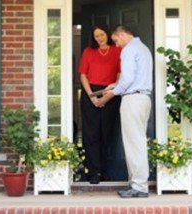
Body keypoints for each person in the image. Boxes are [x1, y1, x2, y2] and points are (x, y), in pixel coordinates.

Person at [100, 25, 152, 198]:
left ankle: (138, 187)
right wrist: (115, 85)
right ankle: (137, 184)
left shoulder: (128, 50)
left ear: (122, 35)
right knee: (138, 142)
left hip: (132, 100)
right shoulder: (143, 49)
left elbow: (128, 78)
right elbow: (134, 77)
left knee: (133, 144)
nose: (116, 45)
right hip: (143, 99)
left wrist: (112, 92)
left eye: (116, 41)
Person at [78, 25, 121, 184]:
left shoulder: (117, 51)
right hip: (90, 92)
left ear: (108, 34)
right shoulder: (88, 51)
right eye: (96, 36)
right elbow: (83, 75)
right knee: (91, 134)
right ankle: (94, 172)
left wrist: (107, 95)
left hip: (110, 92)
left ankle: (105, 171)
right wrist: (91, 96)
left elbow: (120, 75)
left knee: (106, 133)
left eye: (102, 34)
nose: (100, 38)